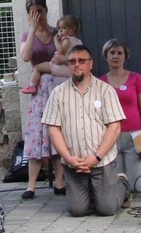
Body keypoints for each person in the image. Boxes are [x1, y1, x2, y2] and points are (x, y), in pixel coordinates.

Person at [42, 45, 132, 216]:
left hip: (102, 160)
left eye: (82, 61)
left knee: (106, 209)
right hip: (73, 162)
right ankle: (92, 194)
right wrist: (68, 158)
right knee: (77, 211)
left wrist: (96, 157)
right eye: (72, 61)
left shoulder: (105, 90)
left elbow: (115, 127)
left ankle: (122, 184)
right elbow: (53, 129)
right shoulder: (58, 93)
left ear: (90, 64)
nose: (77, 64)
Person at [19, 0, 67, 199]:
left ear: (46, 10)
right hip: (40, 90)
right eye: (33, 12)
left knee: (58, 131)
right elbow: (25, 56)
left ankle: (59, 182)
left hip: (59, 85)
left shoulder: (58, 32)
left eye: (40, 11)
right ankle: (31, 186)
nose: (38, 15)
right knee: (37, 132)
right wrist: (32, 28)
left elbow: (65, 56)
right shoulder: (26, 35)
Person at [98, 39, 141, 192]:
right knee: (116, 184)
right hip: (111, 136)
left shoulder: (136, 78)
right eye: (112, 53)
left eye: (119, 53)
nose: (115, 56)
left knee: (136, 186)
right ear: (106, 56)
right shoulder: (100, 82)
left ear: (125, 57)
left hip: (134, 136)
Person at [21, 14, 82, 94]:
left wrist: (55, 40)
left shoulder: (66, 40)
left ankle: (32, 85)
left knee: (37, 67)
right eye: (59, 28)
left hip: (60, 67)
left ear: (72, 30)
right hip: (71, 70)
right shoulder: (78, 41)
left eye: (64, 28)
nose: (60, 31)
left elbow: (61, 51)